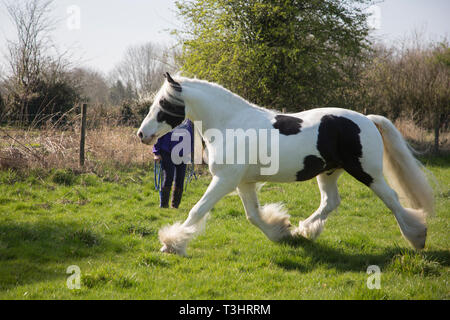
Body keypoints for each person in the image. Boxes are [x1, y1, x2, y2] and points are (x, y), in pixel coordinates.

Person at [152, 119, 194, 208]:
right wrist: (156, 153)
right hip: (167, 151)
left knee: (180, 179)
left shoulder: (188, 121)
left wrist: (190, 152)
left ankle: (175, 206)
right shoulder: (167, 118)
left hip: (182, 153)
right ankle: (164, 205)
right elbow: (158, 135)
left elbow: (191, 137)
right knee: (168, 176)